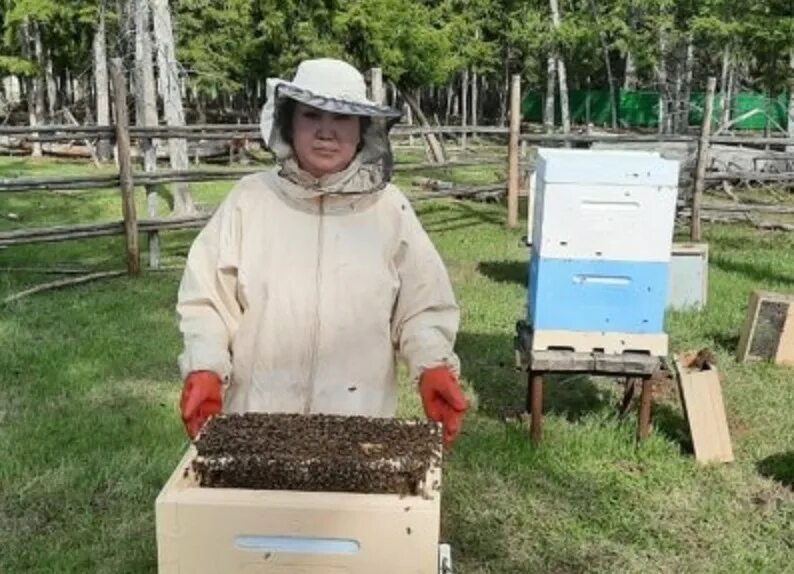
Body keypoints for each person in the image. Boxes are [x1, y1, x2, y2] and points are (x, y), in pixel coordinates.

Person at [176, 58, 468, 447]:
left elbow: (422, 306)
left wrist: (433, 364)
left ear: (364, 129)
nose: (326, 132)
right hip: (258, 418)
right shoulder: (250, 200)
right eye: (311, 115)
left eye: (342, 119)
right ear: (288, 123)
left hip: (359, 422)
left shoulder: (388, 209)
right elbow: (207, 301)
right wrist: (205, 366)